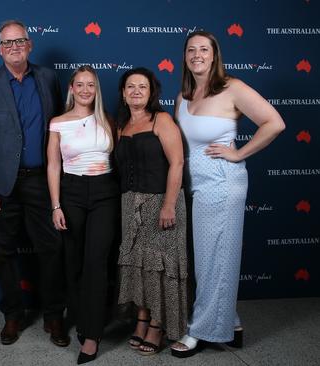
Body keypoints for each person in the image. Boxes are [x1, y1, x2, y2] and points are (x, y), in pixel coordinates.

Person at [170, 30, 285, 357]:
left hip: (222, 182)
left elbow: (274, 123)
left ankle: (201, 330)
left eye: (204, 49)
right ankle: (230, 323)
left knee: (212, 260)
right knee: (212, 257)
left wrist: (239, 153)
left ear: (214, 54)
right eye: (191, 50)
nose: (197, 55)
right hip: (196, 184)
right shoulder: (184, 96)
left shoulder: (231, 87)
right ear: (185, 56)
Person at [0, 19, 68, 347]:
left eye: (19, 41)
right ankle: (13, 315)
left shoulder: (49, 78)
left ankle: (54, 315)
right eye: (7, 43)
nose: (14, 47)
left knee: (51, 249)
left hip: (41, 181)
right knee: (5, 252)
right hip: (1, 185)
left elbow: (59, 128)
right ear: (0, 49)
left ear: (30, 44)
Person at [46, 65, 119, 364]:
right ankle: (78, 314)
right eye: (80, 84)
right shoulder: (58, 122)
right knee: (73, 261)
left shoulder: (107, 121)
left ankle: (92, 334)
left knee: (96, 261)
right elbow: (52, 165)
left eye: (91, 84)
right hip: (72, 192)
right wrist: (56, 205)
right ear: (71, 88)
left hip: (105, 192)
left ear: (96, 89)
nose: (86, 89)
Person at [114, 67, 187, 356]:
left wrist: (169, 204)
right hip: (130, 205)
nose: (135, 91)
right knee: (139, 269)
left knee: (159, 269)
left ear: (151, 92)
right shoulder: (121, 125)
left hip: (161, 204)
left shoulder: (162, 119)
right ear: (122, 93)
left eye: (142, 87)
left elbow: (177, 163)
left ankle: (158, 325)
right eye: (130, 86)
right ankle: (142, 319)